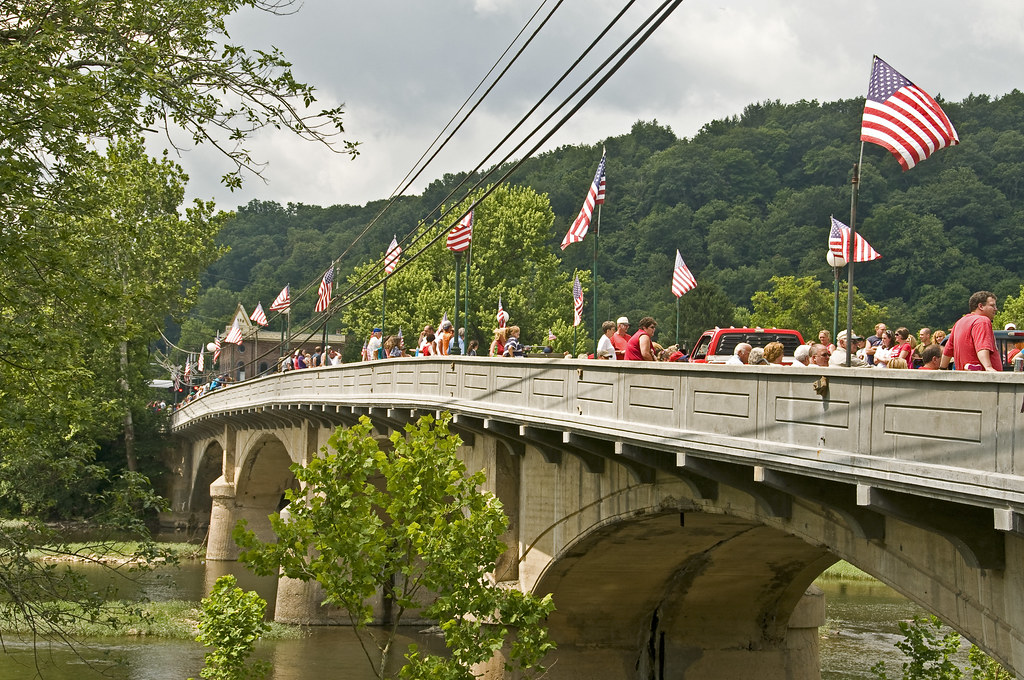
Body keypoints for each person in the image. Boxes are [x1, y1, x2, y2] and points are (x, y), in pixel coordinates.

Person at [941, 290, 1002, 371]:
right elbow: (982, 347)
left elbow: (948, 350)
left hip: (965, 378)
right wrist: (988, 367)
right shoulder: (982, 321)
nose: (996, 309)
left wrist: (942, 368)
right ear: (981, 306)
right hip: (982, 379)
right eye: (992, 306)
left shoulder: (959, 322)